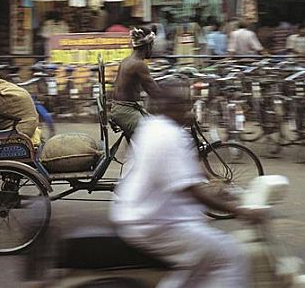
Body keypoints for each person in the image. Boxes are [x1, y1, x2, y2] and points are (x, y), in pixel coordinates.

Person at [110, 77, 266, 288]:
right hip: (153, 223)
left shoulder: (154, 126)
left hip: (146, 215)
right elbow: (193, 191)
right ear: (170, 107)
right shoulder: (168, 136)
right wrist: (240, 211)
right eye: (184, 105)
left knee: (199, 263)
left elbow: (191, 172)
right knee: (229, 255)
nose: (189, 110)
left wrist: (226, 192)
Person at [110, 26, 160, 139]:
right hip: (125, 111)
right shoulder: (139, 64)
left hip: (123, 108)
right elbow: (154, 92)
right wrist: (175, 99)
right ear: (148, 45)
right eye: (152, 45)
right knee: (153, 137)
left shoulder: (127, 60)